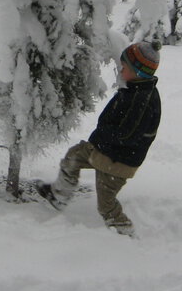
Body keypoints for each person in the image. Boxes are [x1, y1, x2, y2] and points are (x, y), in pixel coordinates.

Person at [37, 40, 162, 237]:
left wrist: (102, 135)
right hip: (104, 149)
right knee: (73, 157)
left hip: (118, 161)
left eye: (124, 67)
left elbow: (127, 135)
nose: (120, 70)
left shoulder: (142, 100)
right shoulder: (133, 88)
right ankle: (59, 195)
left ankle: (125, 233)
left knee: (106, 204)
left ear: (139, 72)